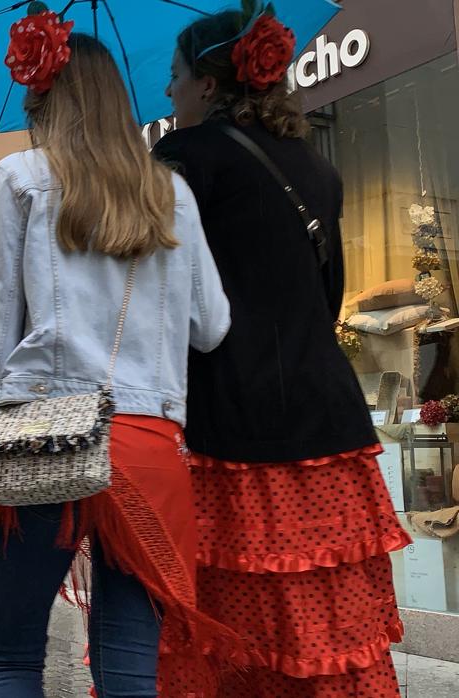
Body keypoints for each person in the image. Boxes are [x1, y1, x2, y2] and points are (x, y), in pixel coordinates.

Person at [0, 23, 234, 696]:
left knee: (13, 655)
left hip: (45, 433)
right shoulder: (172, 194)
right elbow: (212, 326)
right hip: (149, 445)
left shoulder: (18, 180)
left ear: (47, 100)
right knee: (130, 662)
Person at [156, 8, 412, 695]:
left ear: (208, 86)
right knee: (321, 633)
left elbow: (166, 302)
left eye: (175, 77)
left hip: (229, 431)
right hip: (327, 428)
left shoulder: (184, 163)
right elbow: (327, 300)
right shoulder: (318, 172)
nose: (167, 92)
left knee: (228, 633)